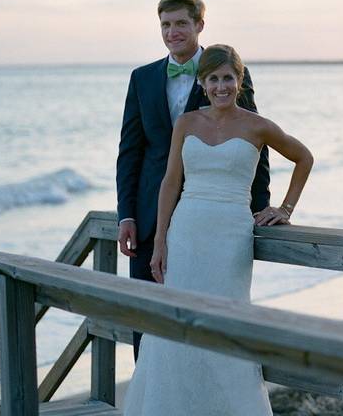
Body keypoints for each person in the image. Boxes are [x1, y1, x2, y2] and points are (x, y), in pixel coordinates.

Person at [123, 44, 313, 416]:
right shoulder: (187, 123)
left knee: (225, 323)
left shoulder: (258, 126)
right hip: (186, 232)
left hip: (229, 236)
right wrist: (160, 241)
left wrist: (284, 208)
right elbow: (169, 183)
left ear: (239, 81)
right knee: (175, 324)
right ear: (203, 82)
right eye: (213, 79)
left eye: (228, 78)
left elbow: (304, 157)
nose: (221, 86)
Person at [116, 0, 275, 358]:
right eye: (166, 24)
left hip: (212, 221)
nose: (173, 32)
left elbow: (256, 144)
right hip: (149, 217)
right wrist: (127, 213)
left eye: (181, 23)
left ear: (199, 25)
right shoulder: (142, 78)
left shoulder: (229, 74)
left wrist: (263, 208)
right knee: (149, 320)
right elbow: (130, 150)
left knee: (211, 316)